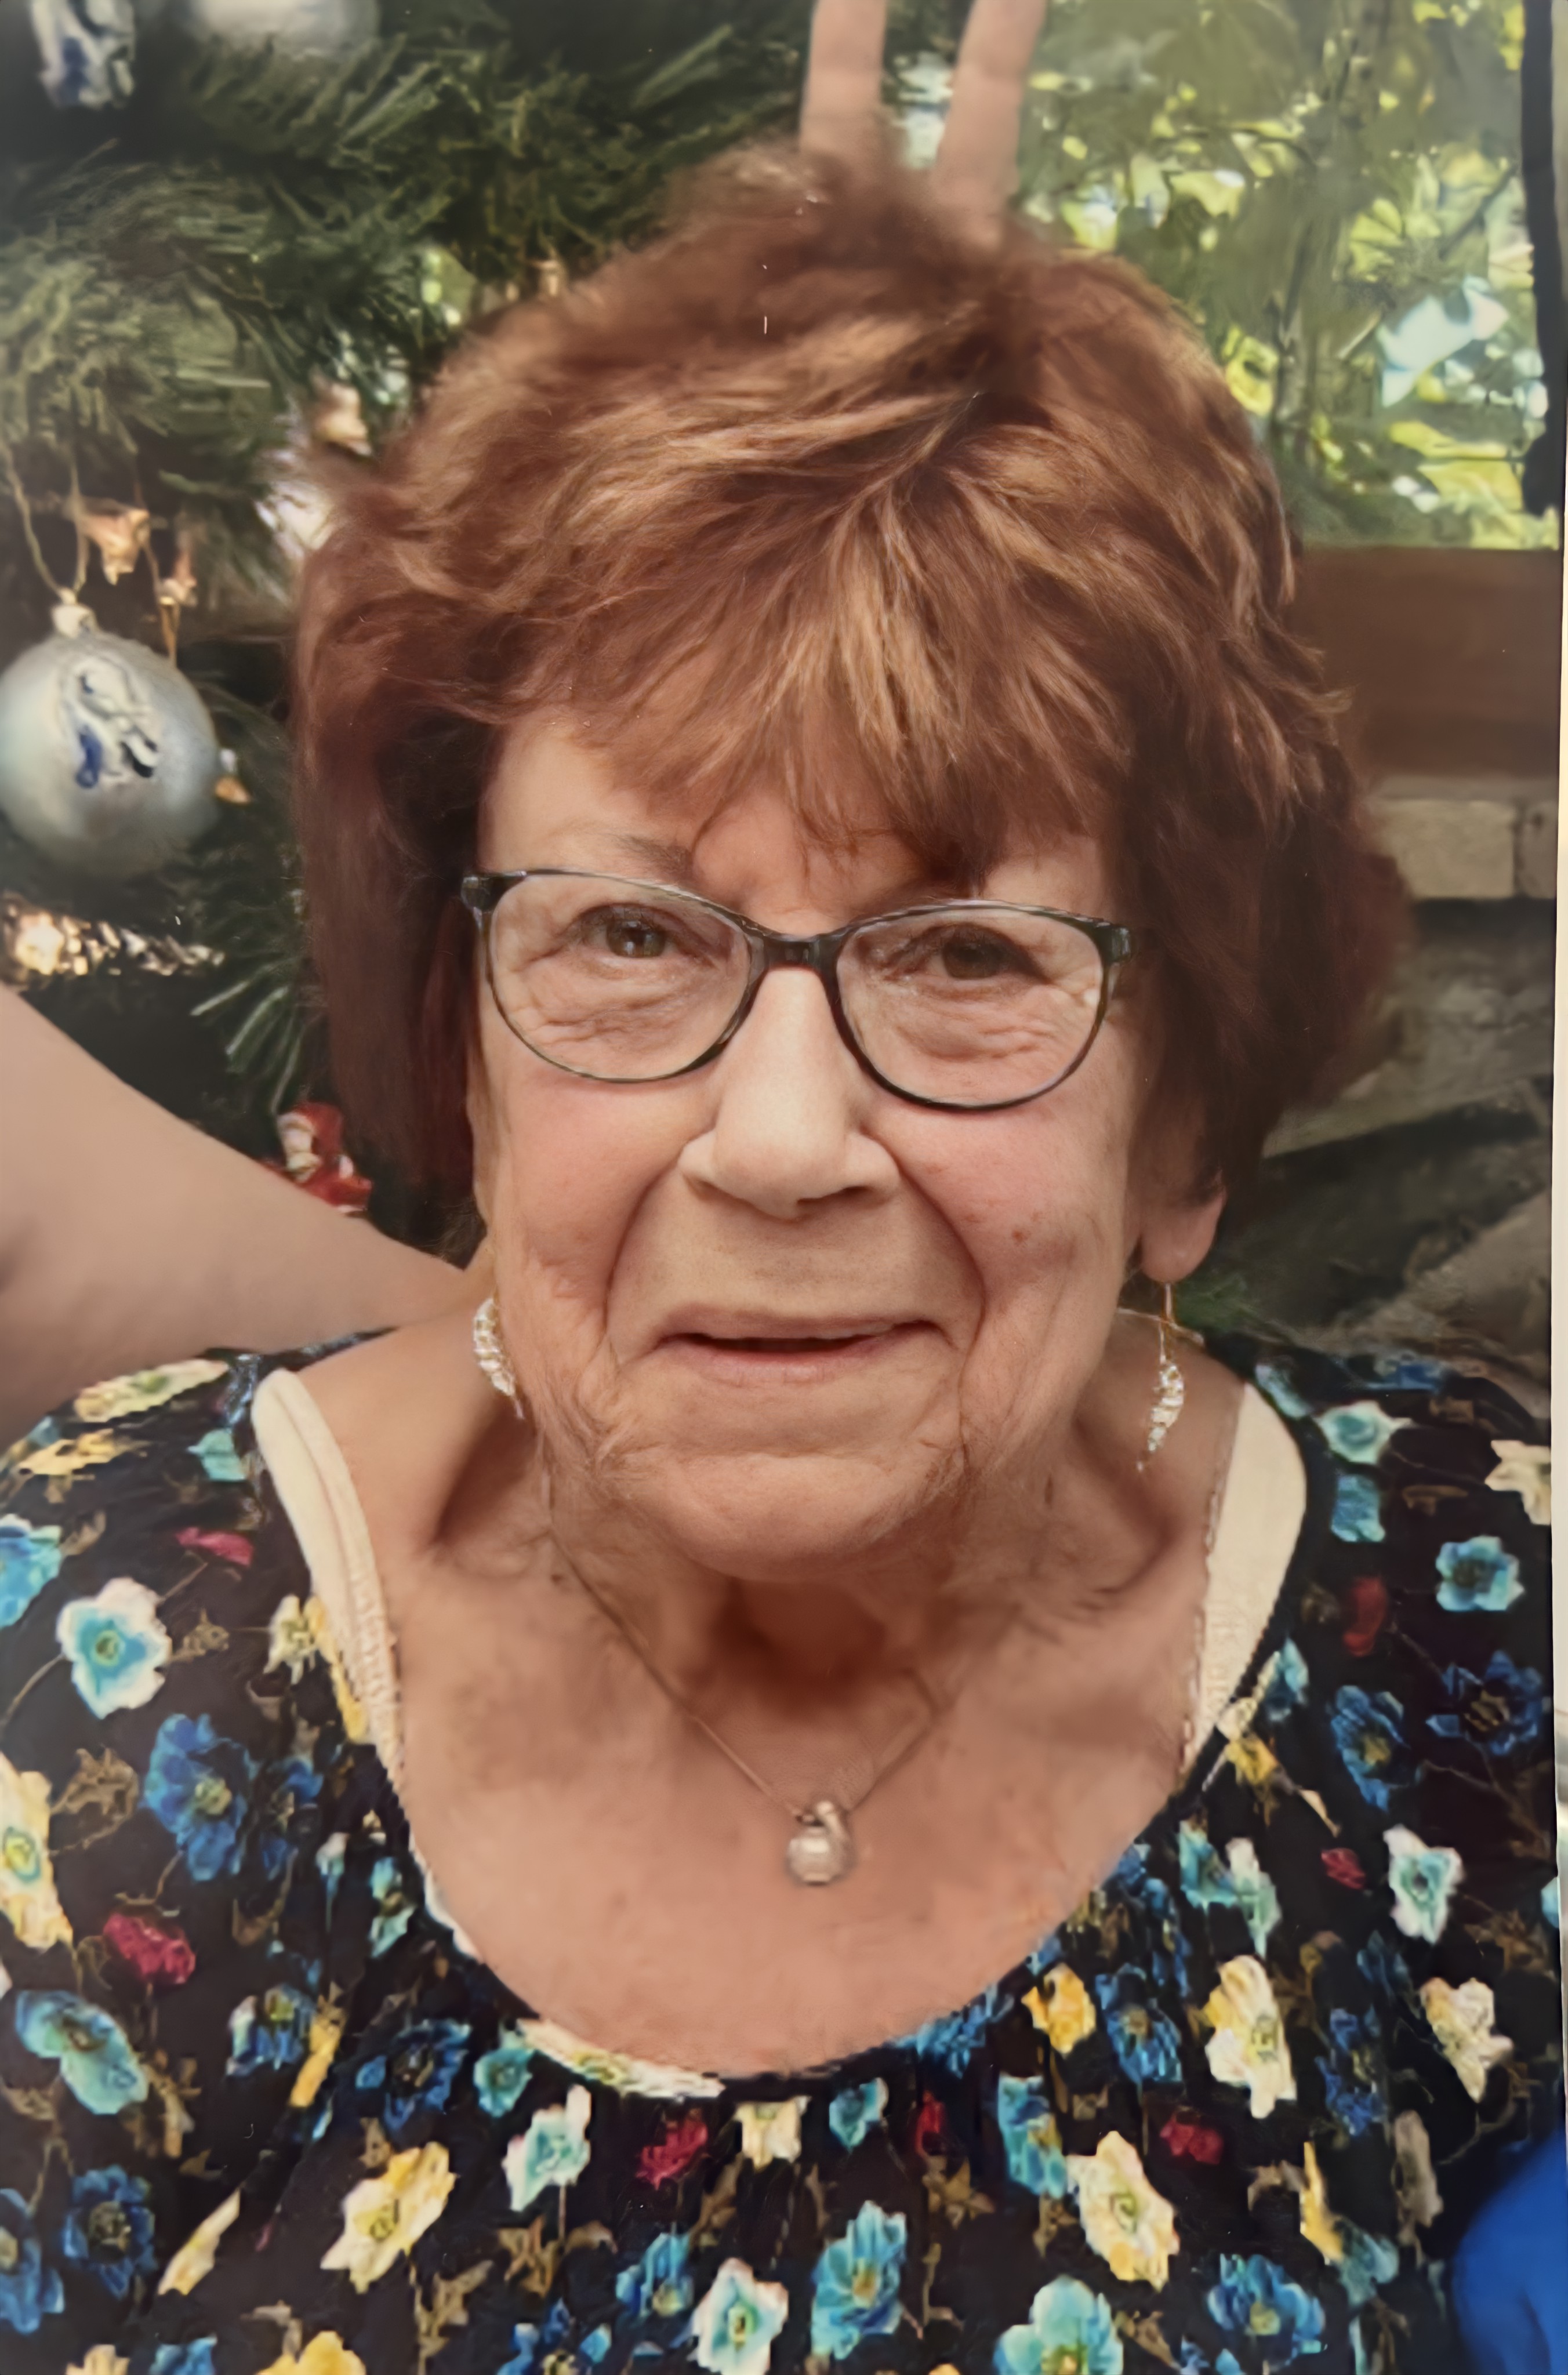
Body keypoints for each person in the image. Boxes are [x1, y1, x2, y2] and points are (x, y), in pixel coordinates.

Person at [0, 3, 1558, 2368]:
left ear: (1184, 1131)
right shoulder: (97, 1679)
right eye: (632, 938)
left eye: (967, 956)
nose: (786, 1137)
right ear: (461, 1042)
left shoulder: (1474, 1643)